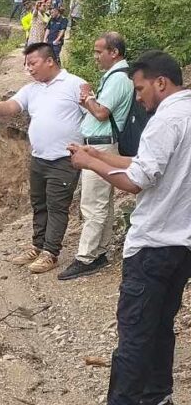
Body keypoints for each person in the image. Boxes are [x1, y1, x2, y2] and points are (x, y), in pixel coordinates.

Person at [69, 51, 191, 405]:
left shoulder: (165, 120)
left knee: (135, 329)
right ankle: (157, 398)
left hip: (153, 241)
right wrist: (99, 155)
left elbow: (135, 181)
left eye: (140, 88)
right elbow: (146, 164)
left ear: (160, 83)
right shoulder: (186, 116)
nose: (138, 97)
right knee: (160, 324)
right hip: (182, 244)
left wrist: (90, 165)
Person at [0, 42, 85, 274]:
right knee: (39, 204)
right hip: (39, 158)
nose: (30, 69)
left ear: (49, 61)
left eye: (33, 63)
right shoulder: (32, 90)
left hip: (64, 159)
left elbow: (93, 116)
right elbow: (12, 106)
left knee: (57, 206)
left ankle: (50, 253)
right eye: (27, 65)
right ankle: (37, 246)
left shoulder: (75, 85)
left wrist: (87, 152)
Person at [58, 33, 134, 281]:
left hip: (102, 146)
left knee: (93, 203)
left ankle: (87, 257)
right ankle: (99, 250)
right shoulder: (116, 77)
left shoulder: (118, 79)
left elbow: (101, 113)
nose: (95, 57)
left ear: (114, 52)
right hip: (103, 145)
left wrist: (87, 97)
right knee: (103, 201)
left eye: (99, 51)